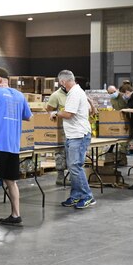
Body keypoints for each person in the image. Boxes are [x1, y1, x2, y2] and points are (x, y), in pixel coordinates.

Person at [0, 67, 32, 224]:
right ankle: (16, 215)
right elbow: (28, 117)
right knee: (11, 181)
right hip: (13, 146)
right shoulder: (20, 95)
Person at [53, 70, 95, 209]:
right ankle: (76, 196)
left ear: (63, 82)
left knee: (75, 167)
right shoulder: (76, 92)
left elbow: (69, 114)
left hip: (78, 135)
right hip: (73, 135)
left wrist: (55, 113)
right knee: (73, 167)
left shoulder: (75, 93)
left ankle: (87, 196)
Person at [44, 84, 68, 184]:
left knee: (70, 155)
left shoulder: (73, 94)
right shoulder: (56, 95)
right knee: (60, 153)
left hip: (71, 130)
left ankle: (69, 177)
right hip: (60, 129)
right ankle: (60, 177)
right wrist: (53, 114)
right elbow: (49, 109)